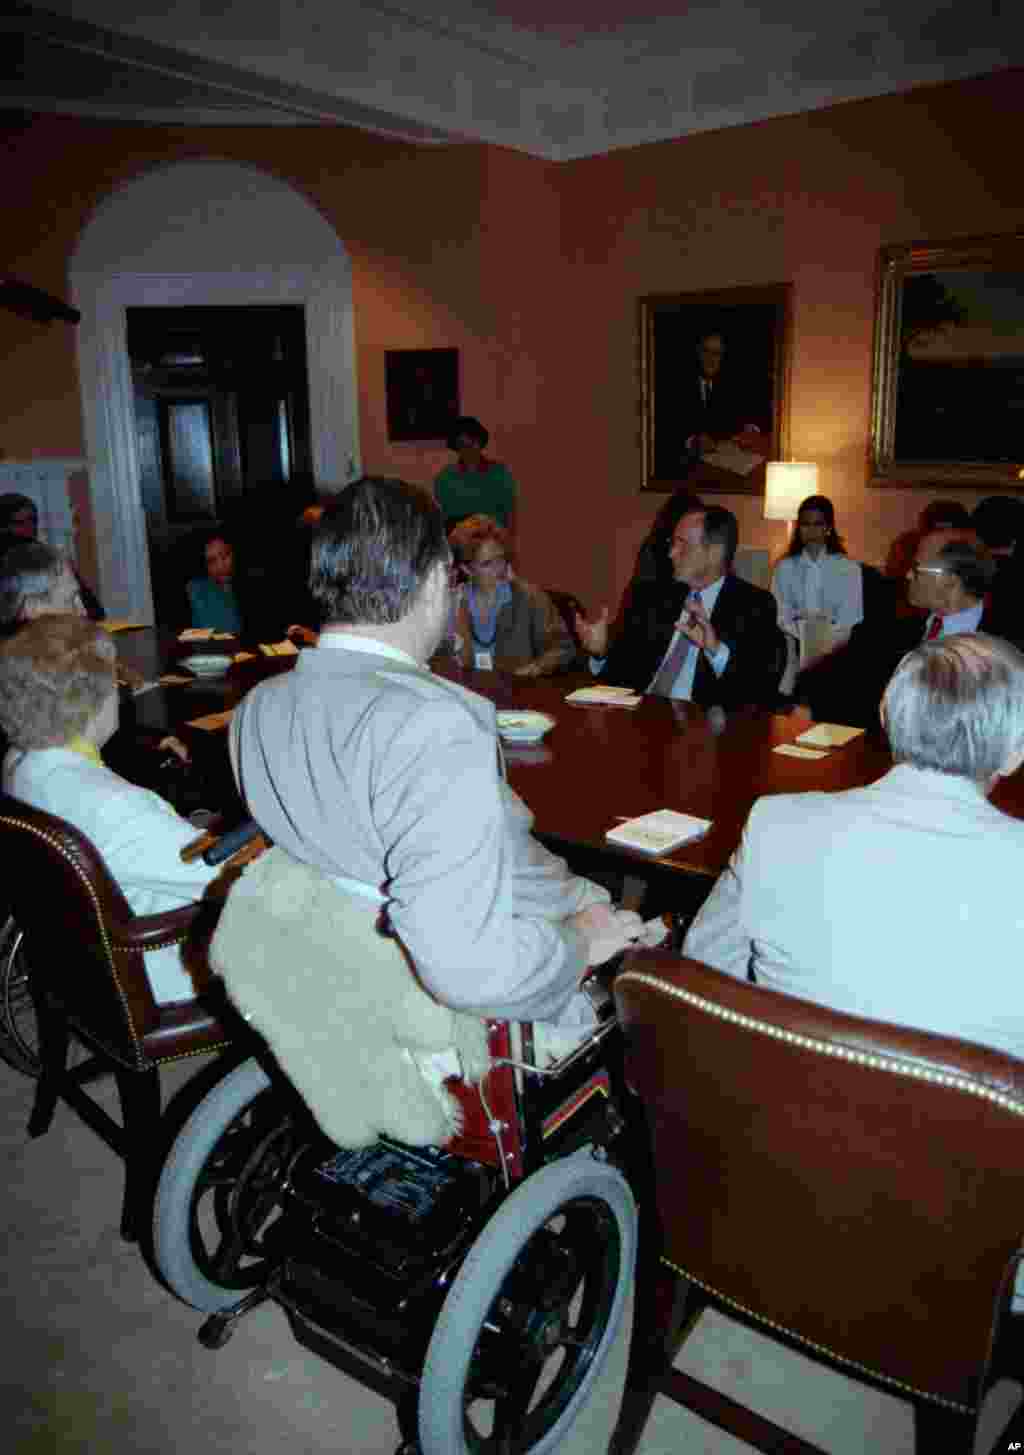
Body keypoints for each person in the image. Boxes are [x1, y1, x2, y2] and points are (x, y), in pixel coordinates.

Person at [229, 476, 644, 1024]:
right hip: (437, 1002)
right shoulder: (434, 725)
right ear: (431, 582)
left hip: (326, 972)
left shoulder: (256, 708)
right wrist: (582, 940)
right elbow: (469, 967)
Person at [684, 632, 1024, 1058]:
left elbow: (704, 970)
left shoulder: (777, 822)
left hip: (780, 1107)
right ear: (1015, 752)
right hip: (964, 1121)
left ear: (884, 714)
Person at [0, 615, 220, 1004]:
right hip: (155, 968)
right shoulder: (117, 807)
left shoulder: (18, 763)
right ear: (94, 700)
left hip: (70, 959)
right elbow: (228, 878)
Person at [574, 505, 784, 709]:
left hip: (703, 729)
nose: (671, 553)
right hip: (641, 720)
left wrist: (715, 651)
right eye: (672, 543)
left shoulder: (754, 606)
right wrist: (600, 653)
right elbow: (619, 678)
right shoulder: (651, 597)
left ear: (714, 553)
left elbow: (758, 691)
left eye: (681, 544)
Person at [802, 527, 1015, 727]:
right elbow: (828, 681)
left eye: (916, 568)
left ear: (950, 580)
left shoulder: (1008, 644)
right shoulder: (889, 627)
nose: (908, 575)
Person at [447, 515, 575, 677]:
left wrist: (538, 667)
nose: (499, 569)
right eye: (487, 564)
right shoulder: (452, 603)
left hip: (518, 695)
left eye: (501, 559)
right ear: (467, 569)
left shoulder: (530, 598)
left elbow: (564, 649)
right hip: (467, 696)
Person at [771, 495, 863, 693]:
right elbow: (779, 611)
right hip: (793, 649)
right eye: (805, 524)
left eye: (818, 524)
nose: (811, 530)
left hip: (835, 654)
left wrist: (821, 642)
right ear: (799, 527)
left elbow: (849, 618)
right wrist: (804, 635)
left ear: (828, 527)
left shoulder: (848, 568)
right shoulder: (785, 567)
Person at [0, 491, 104, 620]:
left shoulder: (51, 558)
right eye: (19, 523)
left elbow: (94, 611)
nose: (29, 528)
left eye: (33, 521)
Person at [433, 417, 517, 532]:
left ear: (481, 442)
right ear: (456, 448)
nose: (468, 449)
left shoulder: (500, 473)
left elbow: (509, 516)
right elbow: (444, 521)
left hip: (493, 538)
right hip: (460, 538)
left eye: (472, 443)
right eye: (462, 444)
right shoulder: (445, 478)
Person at [186, 531, 243, 635]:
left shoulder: (252, 582)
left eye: (225, 556)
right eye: (212, 561)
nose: (221, 566)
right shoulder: (196, 589)